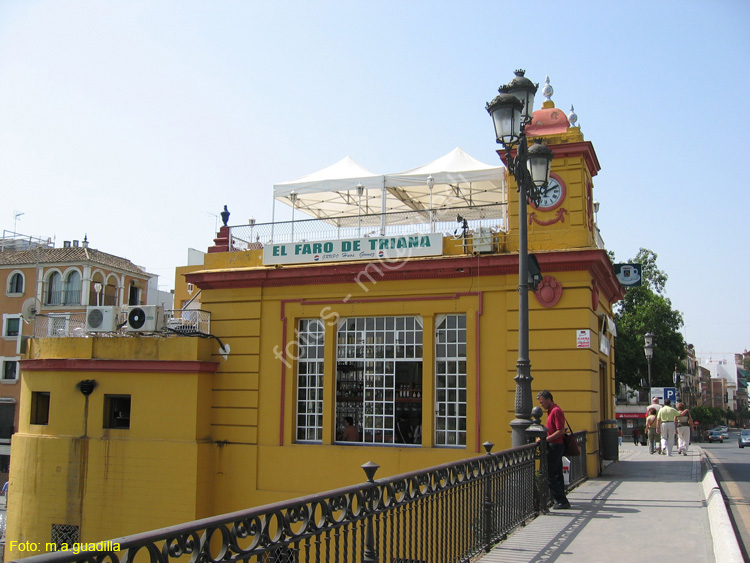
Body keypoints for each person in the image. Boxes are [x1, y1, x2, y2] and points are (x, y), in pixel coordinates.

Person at [537, 389, 570, 509]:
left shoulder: (555, 411)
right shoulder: (552, 411)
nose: (541, 404)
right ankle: (560, 498)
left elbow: (560, 430)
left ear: (548, 399)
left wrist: (546, 440)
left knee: (550, 474)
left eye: (542, 402)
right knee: (557, 474)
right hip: (555, 444)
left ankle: (561, 500)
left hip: (555, 445)